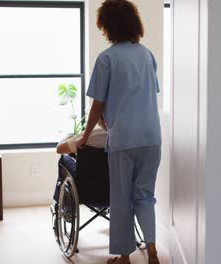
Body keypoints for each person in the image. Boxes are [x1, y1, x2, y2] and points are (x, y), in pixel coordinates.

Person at [75, 1, 162, 263]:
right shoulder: (147, 55)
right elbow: (144, 96)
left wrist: (86, 135)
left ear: (108, 25)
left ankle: (124, 257)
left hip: (124, 139)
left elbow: (97, 104)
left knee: (122, 198)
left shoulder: (107, 58)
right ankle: (152, 249)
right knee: (145, 196)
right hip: (151, 138)